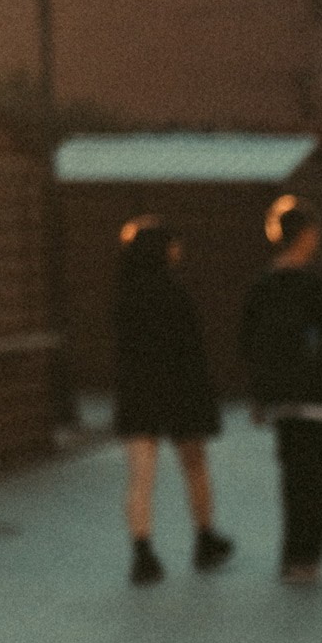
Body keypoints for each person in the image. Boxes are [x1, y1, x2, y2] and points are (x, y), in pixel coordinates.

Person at [238, 195, 322, 586]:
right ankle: (310, 556)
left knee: (292, 477)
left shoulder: (261, 289)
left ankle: (291, 555)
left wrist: (257, 399)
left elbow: (250, 347)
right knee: (320, 476)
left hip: (281, 399)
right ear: (306, 236)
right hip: (318, 397)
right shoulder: (321, 286)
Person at [110, 217, 232, 587]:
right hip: (181, 390)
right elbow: (191, 351)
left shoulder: (124, 296)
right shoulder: (176, 294)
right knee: (194, 466)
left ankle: (142, 551)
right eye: (173, 247)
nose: (178, 253)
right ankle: (204, 537)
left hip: (138, 391)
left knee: (141, 476)